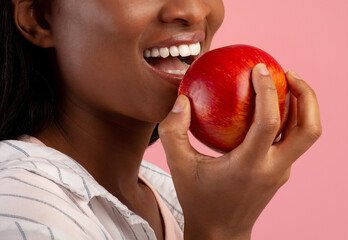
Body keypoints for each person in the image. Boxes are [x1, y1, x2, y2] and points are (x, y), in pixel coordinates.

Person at [0, 0, 322, 239]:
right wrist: (220, 231)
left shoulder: (167, 196)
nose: (194, 10)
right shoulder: (23, 209)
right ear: (40, 17)